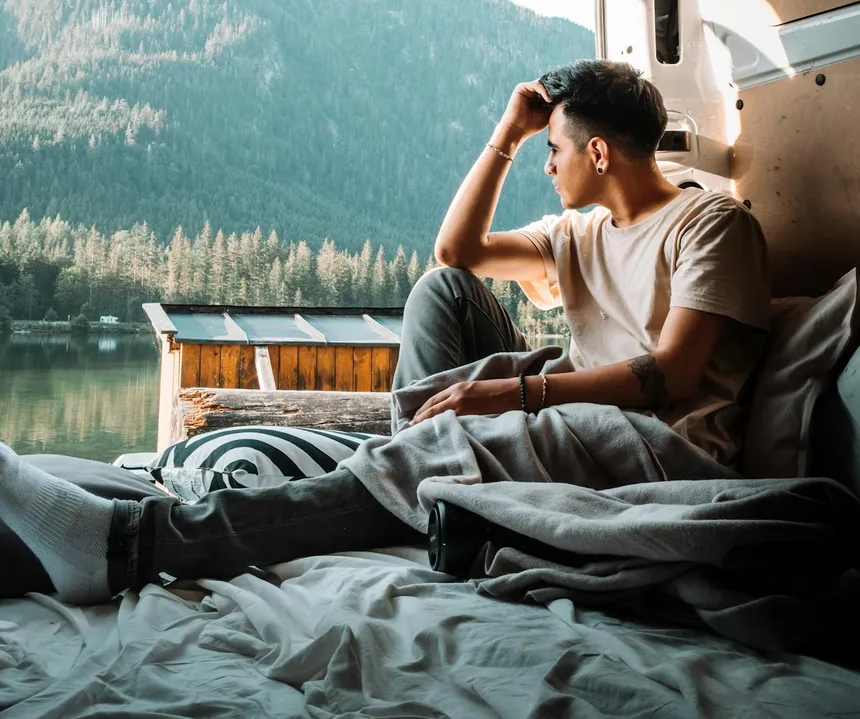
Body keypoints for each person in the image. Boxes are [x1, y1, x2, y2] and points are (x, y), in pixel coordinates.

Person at [0, 60, 770, 606]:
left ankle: (129, 543)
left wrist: (511, 392)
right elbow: (457, 251)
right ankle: (413, 476)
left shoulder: (710, 224)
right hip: (568, 424)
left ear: (597, 153)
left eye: (553, 151)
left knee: (446, 436)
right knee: (442, 290)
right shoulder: (580, 231)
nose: (548, 167)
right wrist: (508, 131)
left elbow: (669, 376)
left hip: (653, 444)